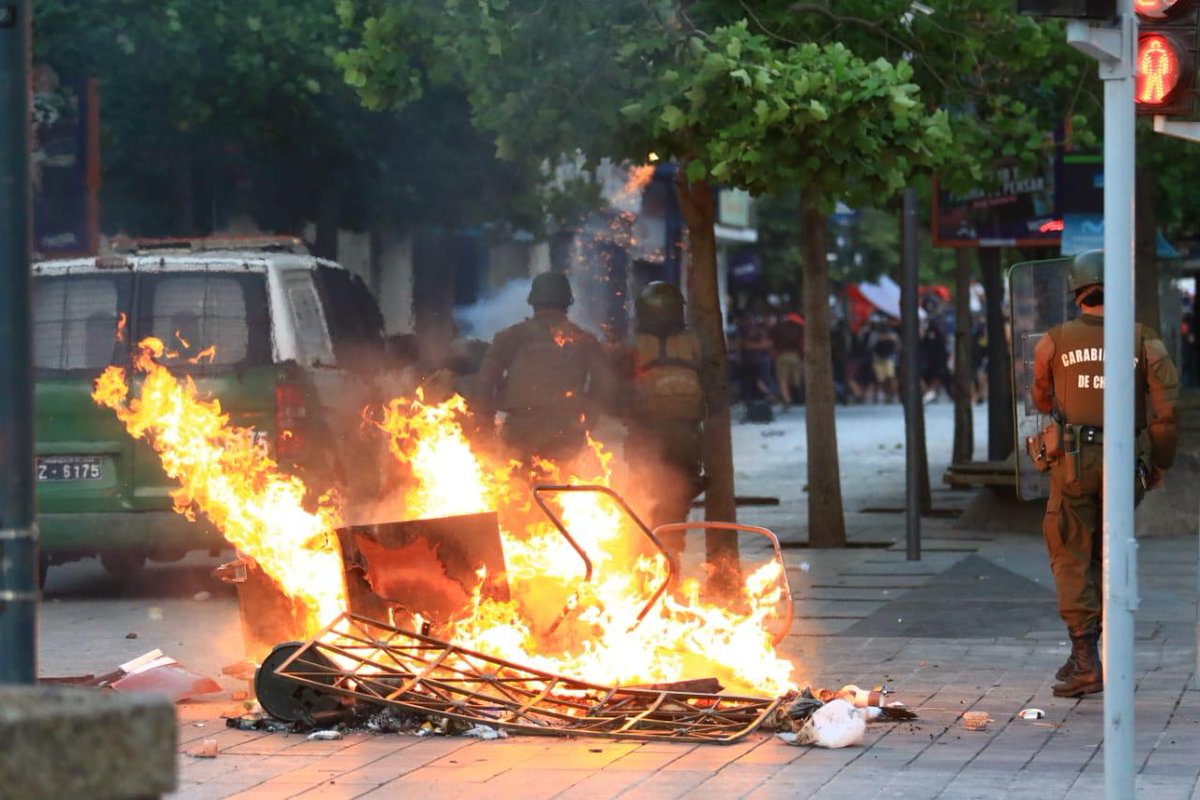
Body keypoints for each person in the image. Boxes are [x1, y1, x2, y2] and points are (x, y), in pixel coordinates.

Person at [1031, 249, 1180, 698]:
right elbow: (1166, 413)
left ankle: (1085, 660)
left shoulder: (1053, 340)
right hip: (1124, 460)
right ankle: (1090, 653)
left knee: (1071, 553)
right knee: (1107, 553)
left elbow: (1041, 400)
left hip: (1074, 462)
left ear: (1076, 291)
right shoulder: (1144, 340)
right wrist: (1159, 463)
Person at [474, 271, 613, 463]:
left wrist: (483, 425)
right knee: (561, 479)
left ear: (533, 302)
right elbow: (605, 383)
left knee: (517, 478)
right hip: (566, 427)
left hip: (521, 427)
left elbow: (485, 382)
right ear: (567, 302)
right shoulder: (584, 340)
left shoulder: (511, 336)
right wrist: (589, 416)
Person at [622, 282, 705, 553]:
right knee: (677, 498)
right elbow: (715, 386)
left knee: (644, 496)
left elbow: (613, 390)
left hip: (647, 436)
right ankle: (669, 553)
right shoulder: (694, 344)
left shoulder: (632, 346)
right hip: (687, 434)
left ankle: (649, 553)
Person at [772, 311, 805, 409]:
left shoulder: (778, 329)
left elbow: (773, 341)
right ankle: (795, 396)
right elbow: (802, 344)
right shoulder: (799, 329)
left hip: (782, 355)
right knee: (795, 379)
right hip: (795, 355)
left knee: (783, 379)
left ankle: (787, 399)